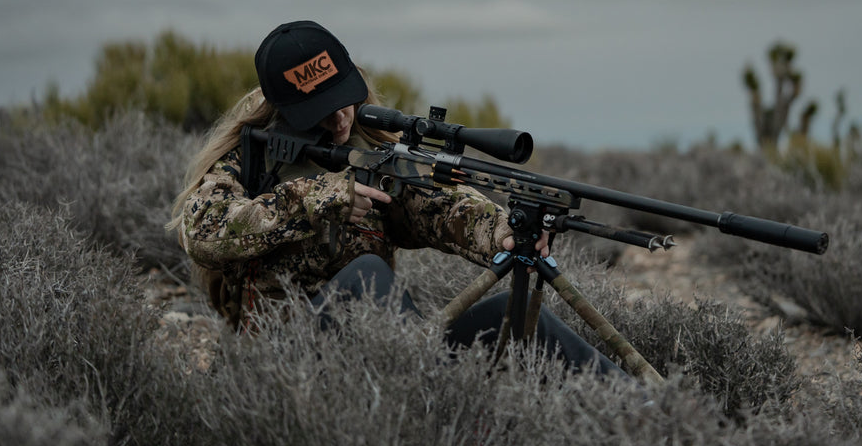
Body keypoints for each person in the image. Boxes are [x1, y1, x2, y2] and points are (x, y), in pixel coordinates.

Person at [168, 20, 625, 378]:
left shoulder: (372, 154)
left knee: (518, 315)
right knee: (367, 274)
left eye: (343, 98)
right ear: (284, 112)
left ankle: (652, 414)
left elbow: (438, 206)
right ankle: (426, 397)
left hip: (378, 363)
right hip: (284, 372)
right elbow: (203, 228)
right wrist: (318, 198)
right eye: (319, 112)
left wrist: (503, 230)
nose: (340, 118)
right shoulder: (249, 162)